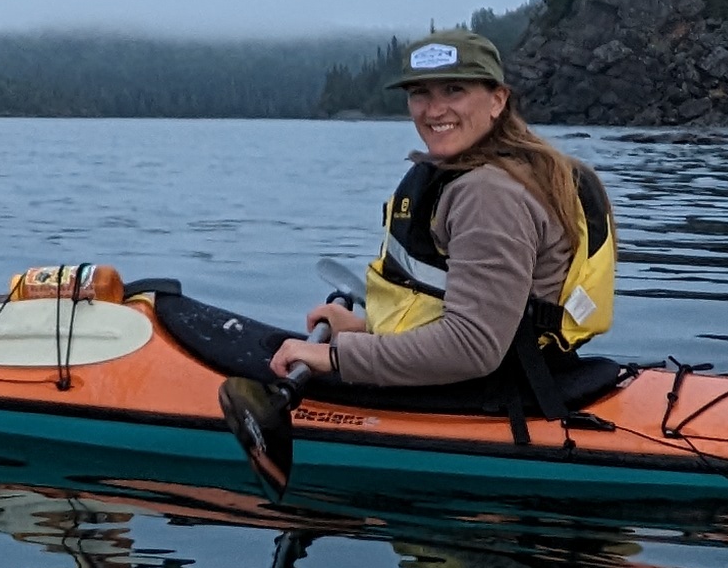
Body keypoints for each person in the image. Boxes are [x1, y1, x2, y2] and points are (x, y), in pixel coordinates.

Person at [154, 31, 619, 489]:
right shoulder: (509, 169)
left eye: (454, 90)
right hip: (521, 366)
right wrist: (368, 329)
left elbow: (473, 347)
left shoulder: (486, 194)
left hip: (489, 385)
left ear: (497, 99)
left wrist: (333, 356)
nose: (434, 110)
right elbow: (476, 309)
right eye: (420, 93)